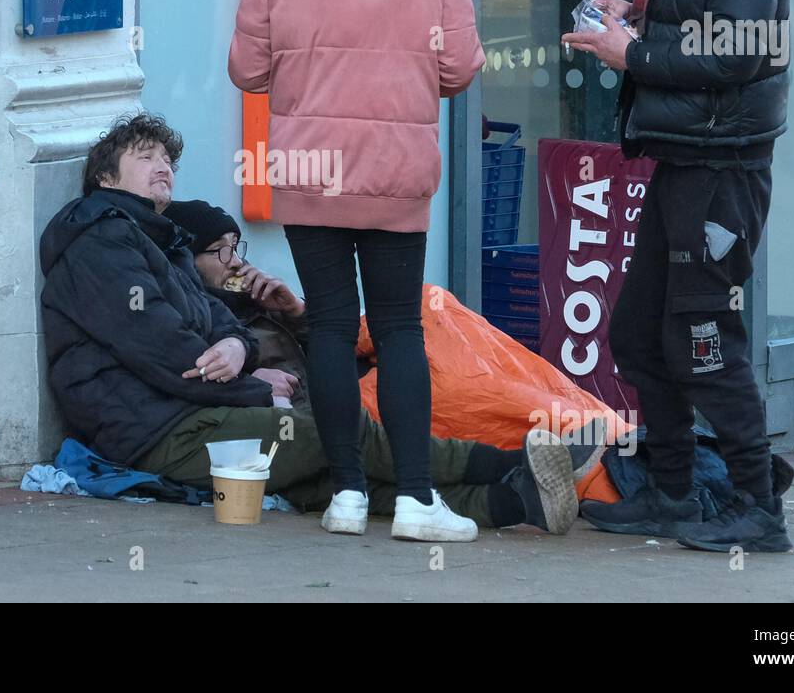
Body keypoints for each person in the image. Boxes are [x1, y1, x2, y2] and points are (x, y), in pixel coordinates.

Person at [39, 115, 584, 540]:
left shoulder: (162, 239)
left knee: (325, 482)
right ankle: (510, 464)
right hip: (153, 431)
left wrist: (237, 344)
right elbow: (163, 349)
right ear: (105, 179)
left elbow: (223, 324)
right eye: (145, 156)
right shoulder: (102, 242)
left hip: (193, 413)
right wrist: (255, 388)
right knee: (331, 431)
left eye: (167, 158)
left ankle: (513, 502)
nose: (163, 166)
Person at [227, 0, 487, 541]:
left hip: (311, 170)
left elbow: (245, 69)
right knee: (399, 328)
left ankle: (345, 497)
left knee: (333, 329)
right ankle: (413, 501)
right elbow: (461, 67)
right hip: (396, 174)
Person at [561, 0, 792, 552]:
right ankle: (672, 495)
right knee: (636, 332)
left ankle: (760, 511)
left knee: (702, 336)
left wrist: (637, 55)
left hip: (724, 167)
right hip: (684, 156)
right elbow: (698, 21)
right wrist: (635, 15)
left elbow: (740, 51)